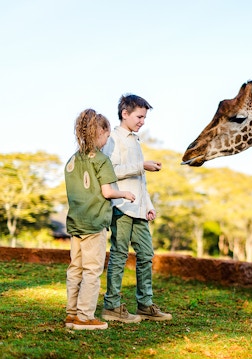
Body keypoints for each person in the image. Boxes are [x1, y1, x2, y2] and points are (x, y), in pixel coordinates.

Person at [101, 94, 172, 323]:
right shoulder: (113, 138)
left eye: (144, 117)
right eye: (139, 116)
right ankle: (111, 305)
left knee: (146, 255)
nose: (143, 121)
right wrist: (141, 165)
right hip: (121, 206)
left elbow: (140, 181)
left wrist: (148, 205)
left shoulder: (136, 140)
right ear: (125, 113)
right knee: (119, 256)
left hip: (139, 209)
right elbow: (110, 170)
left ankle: (145, 304)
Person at [65, 109, 136, 330]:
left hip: (76, 223)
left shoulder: (72, 160)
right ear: (100, 132)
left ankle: (71, 314)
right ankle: (85, 317)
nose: (107, 141)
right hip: (94, 223)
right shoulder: (102, 160)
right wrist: (124, 194)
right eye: (107, 137)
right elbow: (107, 192)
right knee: (92, 270)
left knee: (75, 268)